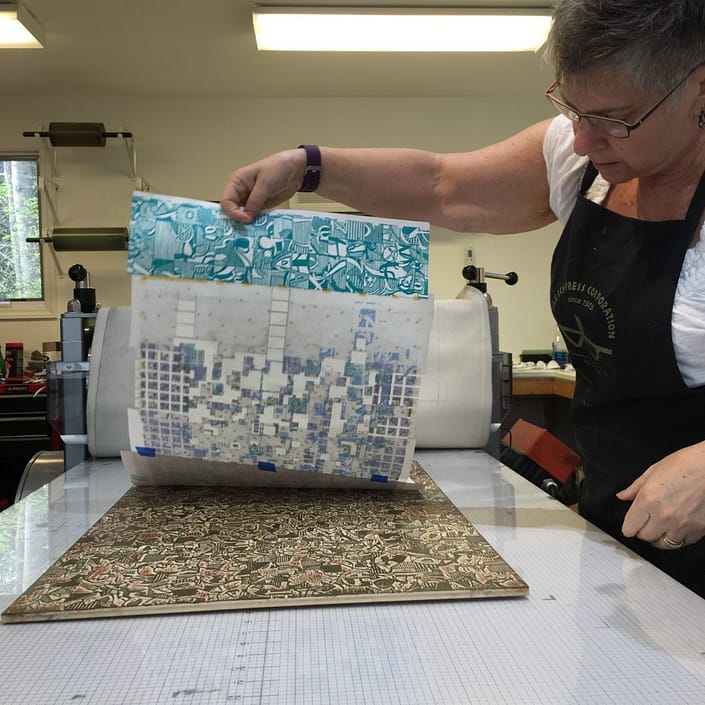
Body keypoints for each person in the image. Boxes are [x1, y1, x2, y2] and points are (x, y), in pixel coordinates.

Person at [221, 0, 705, 598]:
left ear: (698, 89)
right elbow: (441, 184)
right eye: (572, 109)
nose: (581, 140)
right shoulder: (583, 159)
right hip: (620, 526)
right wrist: (307, 168)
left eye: (613, 118)